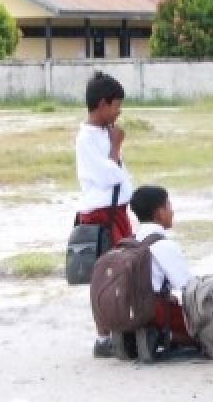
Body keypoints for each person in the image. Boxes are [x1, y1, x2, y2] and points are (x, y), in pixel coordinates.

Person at [75, 71, 135, 358]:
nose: (119, 111)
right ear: (102, 104)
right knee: (104, 276)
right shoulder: (86, 138)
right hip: (101, 215)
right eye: (116, 105)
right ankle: (103, 336)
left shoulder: (104, 133)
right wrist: (115, 146)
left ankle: (121, 328)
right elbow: (108, 175)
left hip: (117, 212)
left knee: (125, 272)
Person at [128, 185, 195, 356]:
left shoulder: (131, 241)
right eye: (169, 206)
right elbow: (187, 285)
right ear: (159, 213)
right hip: (155, 310)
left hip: (132, 309)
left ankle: (141, 335)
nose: (172, 212)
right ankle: (164, 336)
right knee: (208, 332)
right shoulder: (164, 245)